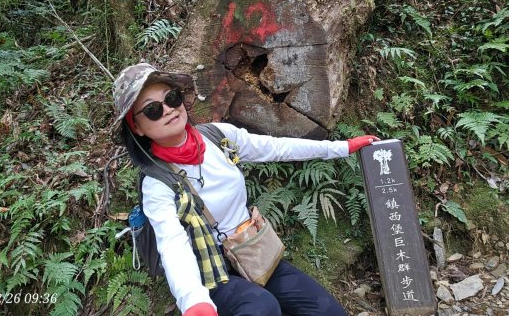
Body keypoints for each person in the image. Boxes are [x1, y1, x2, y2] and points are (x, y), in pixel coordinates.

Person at [112, 63, 379, 316]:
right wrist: (193, 300)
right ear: (137, 127)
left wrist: (341, 148)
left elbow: (276, 148)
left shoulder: (218, 137)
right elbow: (172, 244)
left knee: (325, 310)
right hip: (208, 270)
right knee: (261, 307)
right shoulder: (157, 183)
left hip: (249, 250)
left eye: (171, 99)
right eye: (152, 110)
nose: (168, 110)